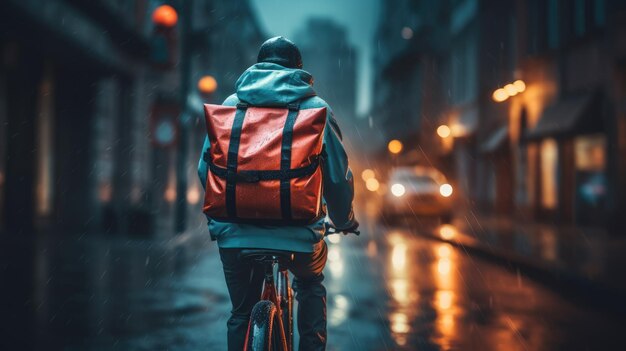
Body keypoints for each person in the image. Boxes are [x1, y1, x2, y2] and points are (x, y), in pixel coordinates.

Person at [197, 36, 358, 351]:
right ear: (298, 69)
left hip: (235, 234)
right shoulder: (316, 108)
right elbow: (337, 179)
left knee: (241, 313)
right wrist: (343, 219)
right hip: (298, 234)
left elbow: (206, 170)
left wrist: (234, 207)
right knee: (310, 284)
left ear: (257, 66)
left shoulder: (230, 106)